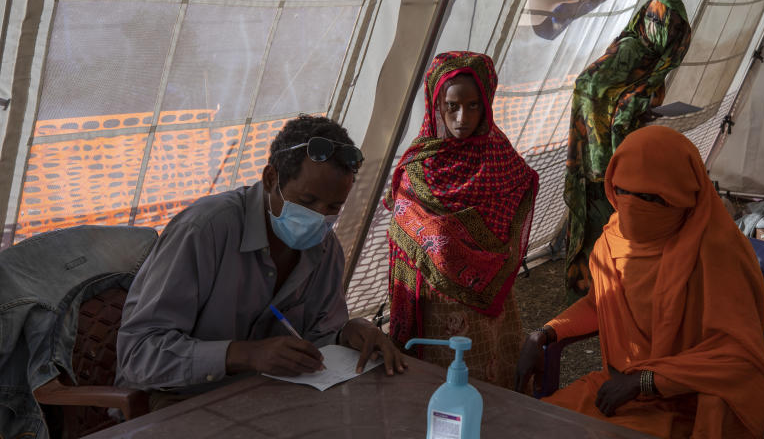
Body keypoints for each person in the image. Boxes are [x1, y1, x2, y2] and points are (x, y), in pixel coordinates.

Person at [517, 126, 764, 439]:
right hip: (620, 390)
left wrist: (648, 381)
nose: (633, 208)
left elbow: (740, 359)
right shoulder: (613, 242)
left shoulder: (716, 251)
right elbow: (601, 303)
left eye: (651, 199)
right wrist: (546, 333)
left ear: (684, 197)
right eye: (623, 192)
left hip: (689, 404)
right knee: (534, 432)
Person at [117, 115, 406, 402]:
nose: (319, 217)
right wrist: (244, 354)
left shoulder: (325, 250)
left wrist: (348, 332)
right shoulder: (205, 230)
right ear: (270, 179)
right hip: (177, 401)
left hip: (264, 397)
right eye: (306, 202)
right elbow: (138, 354)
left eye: (333, 207)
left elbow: (319, 338)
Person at [384, 51, 539, 389]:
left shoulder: (500, 157)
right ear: (436, 105)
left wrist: (485, 261)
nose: (461, 117)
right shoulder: (419, 165)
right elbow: (402, 230)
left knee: (490, 372)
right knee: (438, 382)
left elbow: (516, 207)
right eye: (451, 106)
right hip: (435, 304)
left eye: (473, 105)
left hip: (489, 306)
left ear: (487, 103)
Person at [564, 0, 691, 303]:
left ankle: (612, 297)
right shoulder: (631, 50)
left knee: (616, 232)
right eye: (657, 21)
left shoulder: (652, 56)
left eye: (672, 27)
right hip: (601, 159)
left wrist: (634, 109)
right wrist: (631, 109)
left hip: (614, 158)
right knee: (606, 229)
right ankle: (597, 299)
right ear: (644, 21)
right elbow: (589, 86)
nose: (664, 31)